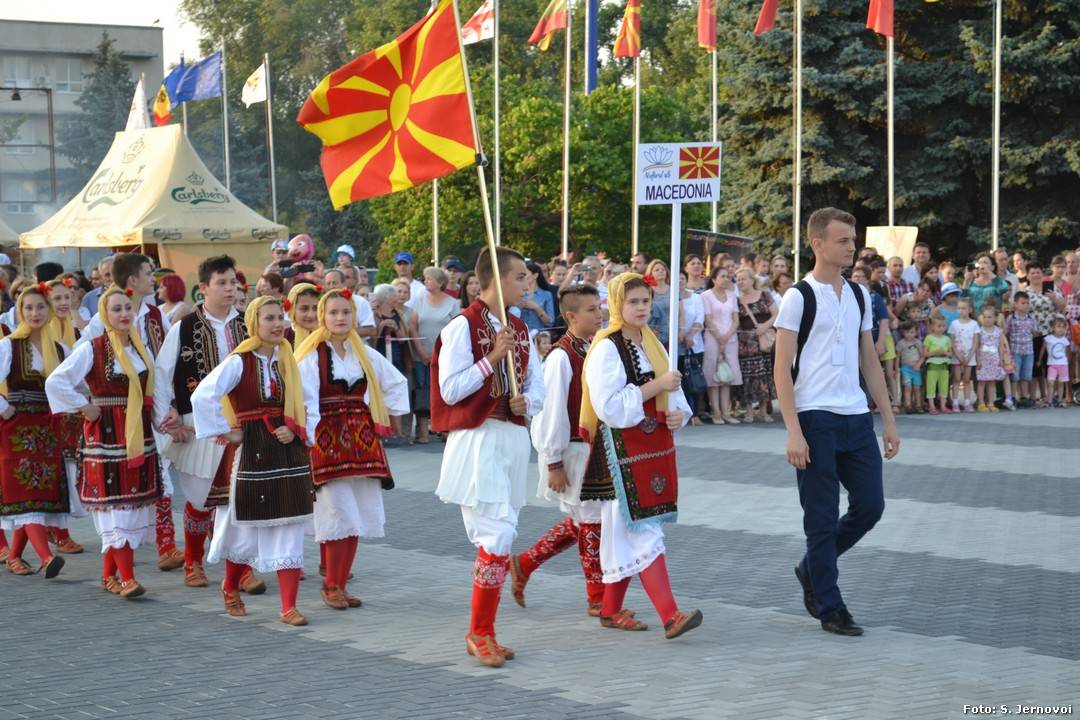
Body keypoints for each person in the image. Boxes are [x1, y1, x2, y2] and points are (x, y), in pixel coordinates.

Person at [773, 207, 898, 637]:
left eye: (853, 239)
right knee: (821, 517)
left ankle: (812, 566)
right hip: (814, 418)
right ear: (818, 244)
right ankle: (831, 606)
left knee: (871, 506)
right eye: (843, 240)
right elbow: (781, 367)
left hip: (856, 416)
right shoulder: (798, 297)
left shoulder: (860, 295)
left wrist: (888, 419)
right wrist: (793, 430)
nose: (851, 247)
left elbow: (870, 361)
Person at [431, 247, 544, 668]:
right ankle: (479, 632)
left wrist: (527, 402)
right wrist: (492, 359)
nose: (527, 284)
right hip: (478, 438)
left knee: (504, 535)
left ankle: (485, 632)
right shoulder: (463, 326)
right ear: (495, 278)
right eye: (520, 277)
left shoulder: (521, 328)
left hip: (511, 439)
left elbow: (538, 386)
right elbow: (449, 390)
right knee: (495, 537)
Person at [580, 273, 702, 638]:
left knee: (629, 533)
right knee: (643, 530)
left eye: (645, 301)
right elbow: (609, 407)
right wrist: (655, 386)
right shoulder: (606, 348)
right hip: (621, 452)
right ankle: (670, 615)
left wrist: (678, 413)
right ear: (617, 304)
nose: (641, 308)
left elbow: (671, 393)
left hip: (652, 449)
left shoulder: (653, 343)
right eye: (633, 301)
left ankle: (610, 609)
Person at [191, 297, 314, 625]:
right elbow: (203, 394)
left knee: (290, 523)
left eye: (280, 318)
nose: (277, 324)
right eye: (269, 318)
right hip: (251, 452)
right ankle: (231, 586)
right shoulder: (239, 361)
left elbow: (309, 403)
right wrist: (226, 431)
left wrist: (295, 429)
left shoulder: (289, 360)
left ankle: (288, 606)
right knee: (244, 530)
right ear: (253, 324)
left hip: (286, 451)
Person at [153, 256, 265, 592]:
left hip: (242, 425)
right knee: (200, 500)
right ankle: (193, 561)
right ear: (203, 288)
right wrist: (168, 420)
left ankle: (242, 569)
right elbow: (162, 376)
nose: (230, 289)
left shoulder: (248, 326)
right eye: (222, 283)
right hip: (196, 425)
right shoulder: (184, 327)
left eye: (233, 282)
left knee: (241, 498)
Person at [46, 286, 164, 598]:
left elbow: (154, 391)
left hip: (138, 435)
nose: (124, 314)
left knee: (128, 508)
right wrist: (84, 406)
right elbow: (56, 381)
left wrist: (166, 420)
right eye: (116, 309)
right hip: (106, 434)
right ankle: (128, 579)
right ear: (104, 314)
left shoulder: (140, 348)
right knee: (116, 510)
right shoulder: (93, 348)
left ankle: (109, 576)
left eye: (127, 308)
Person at [296, 289, 409, 610]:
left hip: (362, 441)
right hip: (326, 441)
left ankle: (341, 585)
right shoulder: (311, 355)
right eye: (333, 312)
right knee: (338, 512)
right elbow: (303, 398)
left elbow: (396, 382)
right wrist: (308, 437)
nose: (340, 318)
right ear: (323, 316)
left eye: (346, 312)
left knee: (356, 513)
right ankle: (330, 584)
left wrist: (386, 418)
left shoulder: (365, 353)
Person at [509, 285, 612, 617]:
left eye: (599, 307)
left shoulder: (593, 348)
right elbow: (551, 412)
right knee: (592, 520)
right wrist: (553, 461)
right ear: (571, 316)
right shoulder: (561, 357)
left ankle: (525, 563)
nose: (600, 314)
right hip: (572, 450)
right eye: (591, 309)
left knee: (585, 519)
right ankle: (597, 597)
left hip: (593, 448)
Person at [78, 253, 178, 571]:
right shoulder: (101, 322)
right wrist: (89, 403)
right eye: (149, 273)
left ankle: (164, 544)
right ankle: (127, 566)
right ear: (133, 279)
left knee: (157, 480)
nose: (154, 279)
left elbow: (164, 363)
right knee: (119, 495)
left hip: (149, 409)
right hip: (115, 419)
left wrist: (169, 408)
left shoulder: (152, 315)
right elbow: (82, 364)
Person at [0, 285, 68, 579]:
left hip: (47, 429)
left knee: (36, 496)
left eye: (40, 307)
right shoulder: (9, 345)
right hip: (17, 429)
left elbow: (73, 384)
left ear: (48, 310)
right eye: (28, 308)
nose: (34, 313)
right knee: (24, 490)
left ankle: (15, 556)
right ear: (19, 311)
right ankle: (46, 557)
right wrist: (4, 408)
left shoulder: (59, 348)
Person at [412, 268, 461, 444]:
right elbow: (413, 327)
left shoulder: (453, 303)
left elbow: (457, 329)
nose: (426, 281)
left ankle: (445, 428)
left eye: (429, 279)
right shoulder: (419, 301)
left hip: (445, 356)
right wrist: (421, 351)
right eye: (425, 278)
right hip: (422, 355)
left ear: (440, 283)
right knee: (422, 391)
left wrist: (443, 353)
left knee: (444, 390)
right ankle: (423, 432)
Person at [735, 267, 777, 423]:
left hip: (765, 341)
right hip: (746, 344)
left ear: (752, 280)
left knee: (764, 375)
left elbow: (776, 314)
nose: (740, 282)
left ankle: (763, 411)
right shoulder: (737, 300)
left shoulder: (765, 295)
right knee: (748, 377)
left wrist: (764, 326)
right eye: (738, 279)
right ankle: (749, 411)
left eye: (743, 279)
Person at [702, 265, 742, 424]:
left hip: (731, 339)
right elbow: (707, 319)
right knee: (713, 375)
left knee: (728, 375)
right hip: (712, 339)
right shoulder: (706, 296)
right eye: (722, 276)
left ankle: (726, 413)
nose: (726, 279)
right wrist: (719, 338)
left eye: (728, 276)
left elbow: (736, 320)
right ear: (714, 279)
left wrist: (726, 337)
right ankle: (716, 413)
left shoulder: (732, 295)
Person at [975, 305, 1012, 411]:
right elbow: (977, 346)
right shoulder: (980, 331)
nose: (987, 319)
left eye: (989, 317)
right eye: (985, 317)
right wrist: (978, 360)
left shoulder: (998, 331)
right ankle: (981, 403)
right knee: (982, 382)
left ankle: (991, 403)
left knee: (992, 382)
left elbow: (1000, 347)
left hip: (994, 359)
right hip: (983, 359)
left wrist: (1001, 360)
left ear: (995, 318)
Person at [1005, 292, 1037, 406]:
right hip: (1015, 350)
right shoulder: (1011, 318)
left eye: (1027, 303)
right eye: (1023, 303)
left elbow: (1034, 332)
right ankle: (1013, 396)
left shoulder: (1031, 318)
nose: (1026, 305)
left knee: (1026, 375)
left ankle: (1024, 397)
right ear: (1015, 304)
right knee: (1015, 376)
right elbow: (1006, 332)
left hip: (1028, 351)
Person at [922, 317, 953, 414]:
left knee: (944, 386)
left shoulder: (947, 339)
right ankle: (932, 406)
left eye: (943, 326)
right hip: (932, 366)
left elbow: (950, 353)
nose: (941, 328)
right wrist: (934, 352)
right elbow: (925, 354)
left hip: (944, 366)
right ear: (932, 327)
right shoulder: (929, 338)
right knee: (931, 386)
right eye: (938, 326)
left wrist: (944, 352)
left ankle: (943, 406)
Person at [1039, 318, 1071, 407]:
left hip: (1063, 364)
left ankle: (1060, 400)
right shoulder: (1048, 338)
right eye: (1058, 326)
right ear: (1053, 328)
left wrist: (1068, 361)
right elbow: (1043, 349)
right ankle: (1049, 400)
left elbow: (1067, 351)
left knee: (1061, 382)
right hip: (1052, 364)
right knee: (1050, 382)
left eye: (1063, 327)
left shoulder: (1065, 340)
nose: (1061, 329)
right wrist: (1039, 360)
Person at [896, 321, 925, 414]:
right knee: (907, 387)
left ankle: (918, 405)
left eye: (912, 332)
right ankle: (908, 405)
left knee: (917, 387)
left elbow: (923, 356)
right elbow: (898, 356)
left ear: (916, 332)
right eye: (907, 332)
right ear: (903, 332)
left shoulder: (918, 342)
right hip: (906, 369)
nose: (909, 334)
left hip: (916, 369)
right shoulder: (901, 343)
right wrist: (897, 368)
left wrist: (918, 364)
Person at [283, 282, 321, 347]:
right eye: (304, 309)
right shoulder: (283, 338)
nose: (311, 315)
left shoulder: (327, 337)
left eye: (316, 308)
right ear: (292, 310)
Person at [645, 260, 671, 346]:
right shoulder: (647, 290)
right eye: (657, 270)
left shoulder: (674, 289)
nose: (660, 271)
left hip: (673, 330)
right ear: (650, 273)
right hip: (653, 331)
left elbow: (681, 313)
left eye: (663, 269)